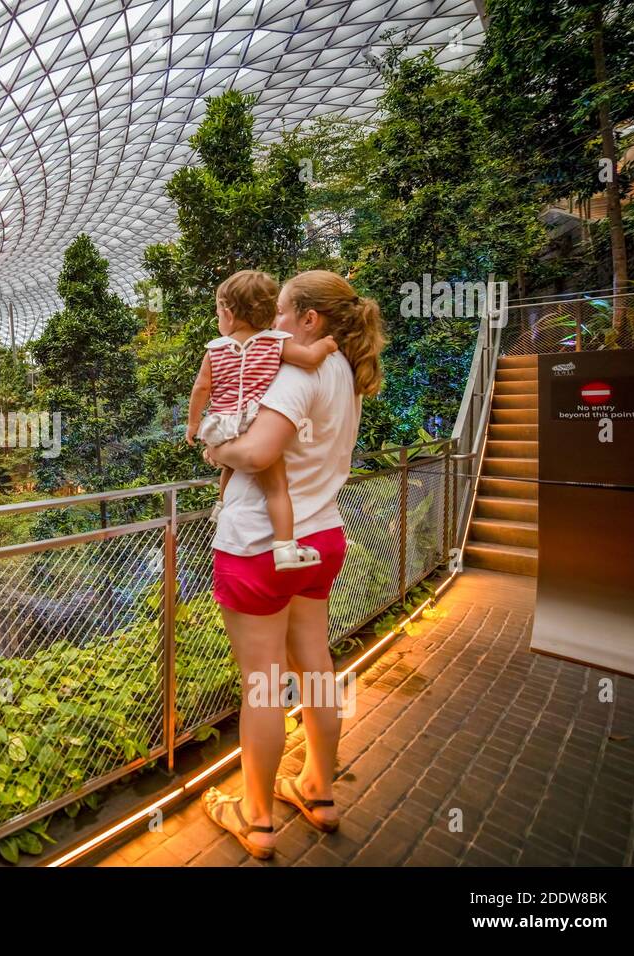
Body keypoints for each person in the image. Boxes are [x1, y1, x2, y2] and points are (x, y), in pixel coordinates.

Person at [197, 270, 385, 860]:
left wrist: (211, 447)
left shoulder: (292, 373)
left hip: (259, 548)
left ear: (309, 319)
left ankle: (255, 819)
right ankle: (318, 791)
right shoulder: (346, 372)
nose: (274, 324)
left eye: (282, 312)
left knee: (261, 686)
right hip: (320, 539)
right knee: (316, 667)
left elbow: (256, 451)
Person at [186, 270, 339, 570]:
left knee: (229, 464)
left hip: (224, 422)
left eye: (217, 312)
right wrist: (327, 346)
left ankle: (222, 506)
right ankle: (284, 546)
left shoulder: (215, 351)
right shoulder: (275, 344)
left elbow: (201, 388)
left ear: (228, 314)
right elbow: (309, 358)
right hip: (256, 421)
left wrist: (193, 425)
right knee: (276, 489)